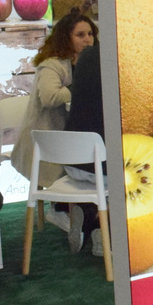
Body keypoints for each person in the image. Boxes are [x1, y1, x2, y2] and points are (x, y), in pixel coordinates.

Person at [11, 10, 98, 191]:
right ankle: (66, 204)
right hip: (48, 141)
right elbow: (50, 98)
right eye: (80, 35)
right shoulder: (52, 64)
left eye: (90, 34)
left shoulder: (94, 63)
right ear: (66, 39)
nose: (88, 40)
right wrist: (79, 88)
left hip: (73, 135)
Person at [63, 40, 107, 255]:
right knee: (138, 168)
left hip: (71, 161)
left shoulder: (87, 56)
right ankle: (102, 226)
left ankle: (89, 212)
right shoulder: (121, 60)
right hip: (103, 169)